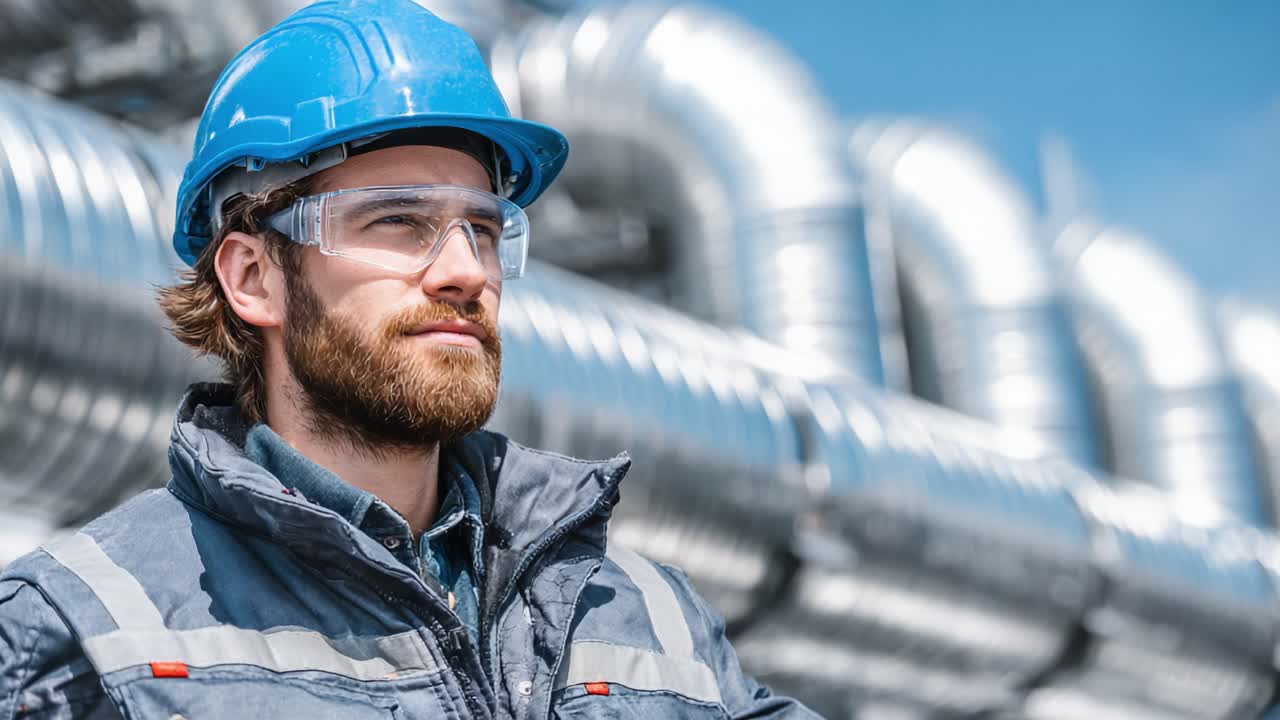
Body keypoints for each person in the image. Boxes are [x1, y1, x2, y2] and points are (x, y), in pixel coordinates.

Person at [0, 1, 819, 717]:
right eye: (397, 221)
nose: (467, 270)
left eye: (486, 230)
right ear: (253, 276)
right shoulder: (81, 632)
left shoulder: (653, 619)